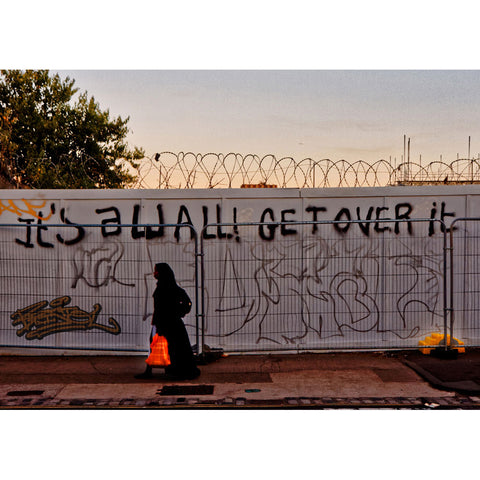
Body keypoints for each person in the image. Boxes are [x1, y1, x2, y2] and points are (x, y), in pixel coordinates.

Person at [135, 263, 200, 380]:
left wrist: (179, 312)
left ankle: (153, 371)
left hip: (163, 323)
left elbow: (186, 303)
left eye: (156, 271)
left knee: (157, 345)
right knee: (174, 347)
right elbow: (187, 303)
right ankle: (173, 370)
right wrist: (180, 313)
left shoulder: (164, 288)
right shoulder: (172, 287)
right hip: (172, 323)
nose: (154, 273)